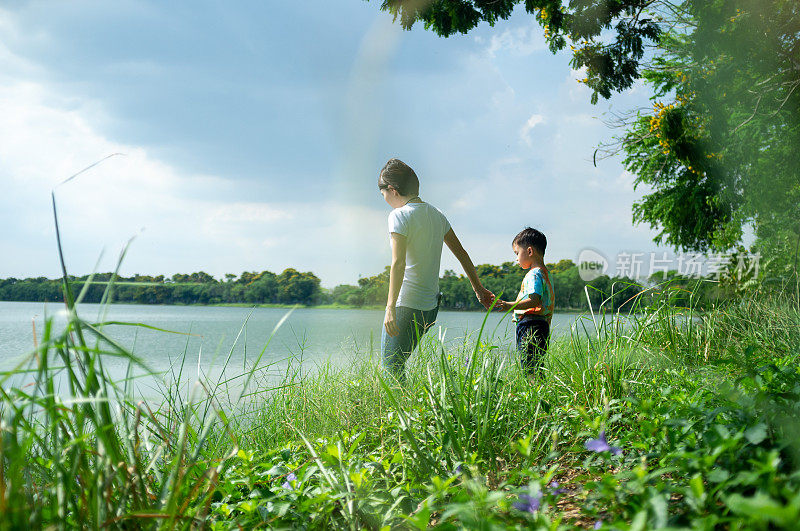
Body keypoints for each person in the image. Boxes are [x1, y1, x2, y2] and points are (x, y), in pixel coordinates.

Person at [379, 158, 493, 384]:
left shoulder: (399, 215)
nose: (383, 198)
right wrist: (478, 289)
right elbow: (462, 253)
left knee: (391, 365)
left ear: (392, 189)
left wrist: (390, 307)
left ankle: (406, 415)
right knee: (398, 364)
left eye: (382, 192)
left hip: (407, 304)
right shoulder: (437, 214)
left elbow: (398, 263)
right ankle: (414, 411)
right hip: (430, 308)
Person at [493, 227, 554, 378]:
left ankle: (535, 397)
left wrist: (509, 305)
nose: (516, 258)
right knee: (537, 365)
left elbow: (534, 300)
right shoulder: (546, 274)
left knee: (529, 367)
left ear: (529, 251)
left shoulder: (534, 273)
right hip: (542, 325)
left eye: (517, 253)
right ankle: (541, 395)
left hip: (530, 325)